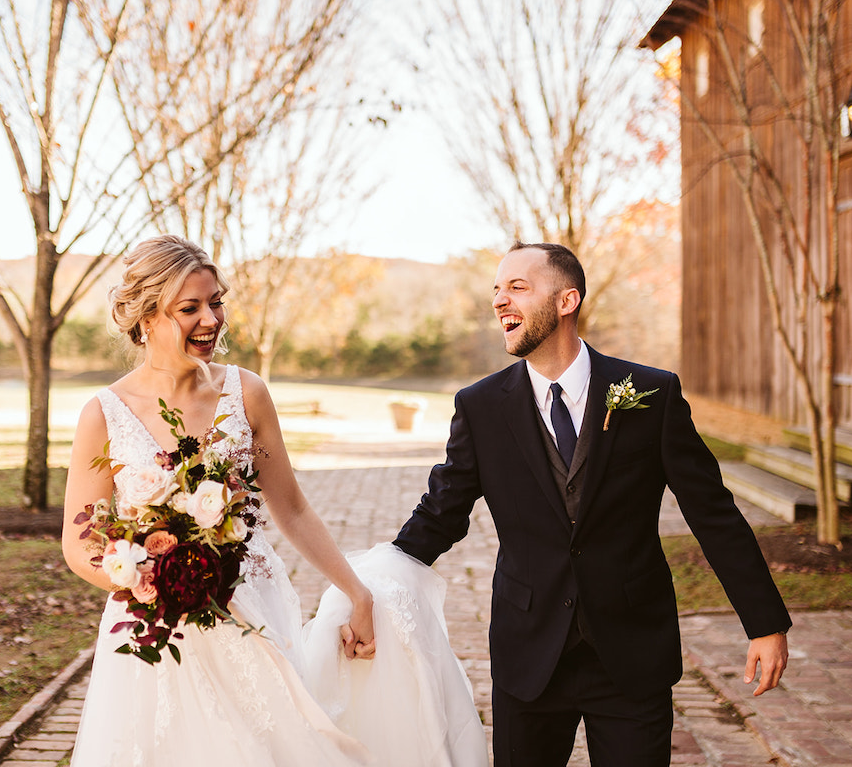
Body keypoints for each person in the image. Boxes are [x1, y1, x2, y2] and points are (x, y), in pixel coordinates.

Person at [62, 235, 487, 766]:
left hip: (252, 609)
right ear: (147, 318)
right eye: (189, 308)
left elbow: (292, 508)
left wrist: (356, 593)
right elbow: (82, 546)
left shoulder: (247, 392)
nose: (211, 319)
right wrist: (150, 582)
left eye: (216, 301)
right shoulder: (103, 414)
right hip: (157, 629)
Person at [393, 242, 792, 767]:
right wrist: (376, 583)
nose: (498, 301)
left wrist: (765, 622)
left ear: (566, 301)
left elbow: (712, 512)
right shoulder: (481, 407)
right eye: (496, 289)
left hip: (631, 653)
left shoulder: (651, 394)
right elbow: (440, 514)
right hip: (529, 655)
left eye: (517, 287)